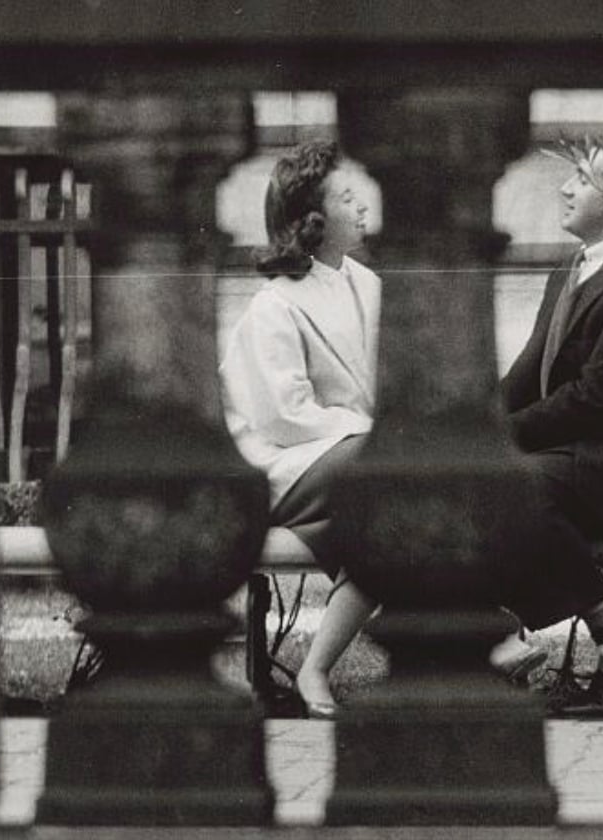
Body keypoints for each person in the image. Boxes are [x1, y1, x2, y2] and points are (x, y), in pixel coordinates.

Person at [498, 139, 603, 717]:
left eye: (581, 181)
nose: (564, 189)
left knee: (518, 488)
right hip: (574, 450)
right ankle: (502, 639)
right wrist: (471, 430)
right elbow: (528, 372)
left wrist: (505, 439)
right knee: (478, 480)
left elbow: (597, 400)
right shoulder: (571, 266)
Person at [220, 140, 379, 719]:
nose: (361, 204)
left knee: (384, 528)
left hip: (348, 463)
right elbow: (282, 414)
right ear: (312, 220)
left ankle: (313, 671)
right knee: (397, 474)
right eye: (345, 195)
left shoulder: (367, 285)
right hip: (282, 462)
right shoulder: (275, 305)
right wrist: (370, 432)